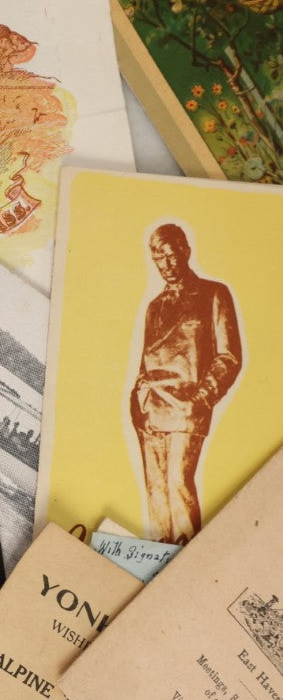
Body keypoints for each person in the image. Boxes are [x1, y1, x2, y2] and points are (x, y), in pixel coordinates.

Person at [129, 223, 241, 544]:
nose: (165, 264)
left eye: (169, 254)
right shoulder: (154, 307)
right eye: (157, 258)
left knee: (178, 486)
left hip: (187, 409)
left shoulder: (213, 293)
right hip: (149, 413)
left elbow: (229, 357)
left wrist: (200, 398)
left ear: (185, 252)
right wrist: (139, 397)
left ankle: (189, 575)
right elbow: (145, 363)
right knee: (156, 498)